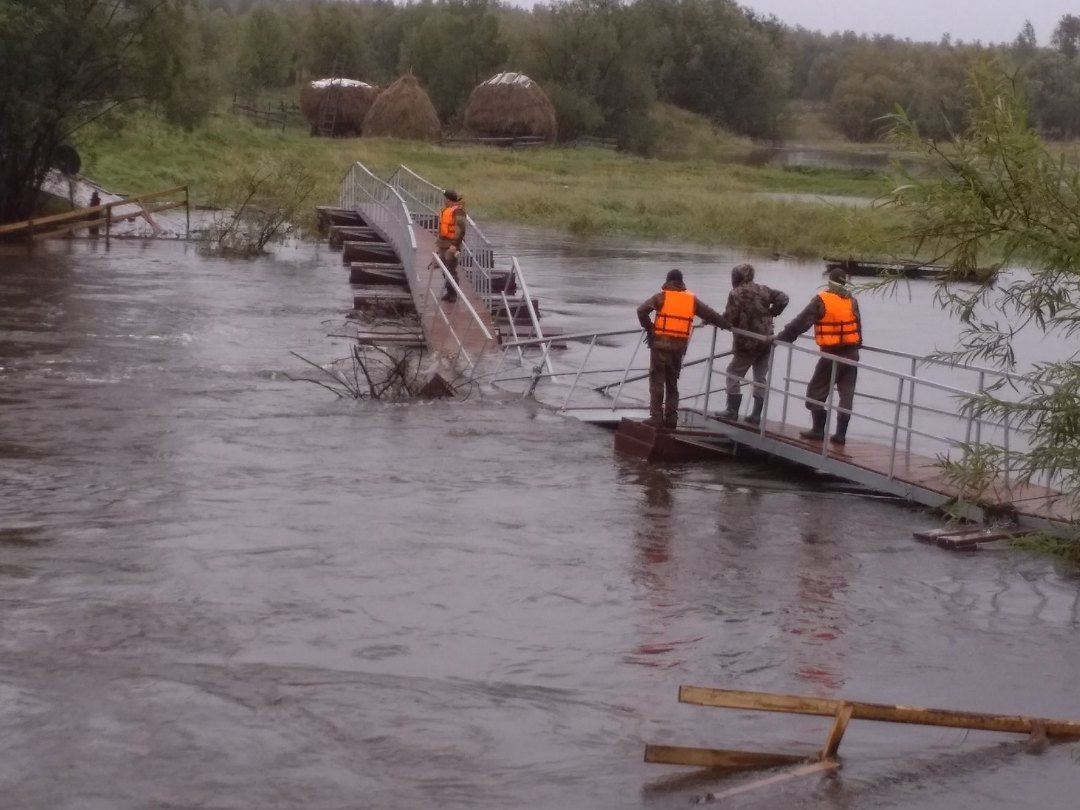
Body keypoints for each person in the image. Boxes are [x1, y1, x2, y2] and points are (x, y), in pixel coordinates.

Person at [772, 268, 862, 444]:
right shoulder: (851, 300)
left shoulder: (822, 300)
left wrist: (782, 339)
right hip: (852, 354)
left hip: (832, 355)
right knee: (846, 395)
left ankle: (818, 431)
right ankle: (840, 435)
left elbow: (800, 323)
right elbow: (858, 327)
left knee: (815, 391)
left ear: (830, 282)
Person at [636, 268, 728, 430]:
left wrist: (650, 328)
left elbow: (641, 310)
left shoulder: (662, 297)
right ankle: (672, 418)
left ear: (668, 280)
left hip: (660, 346)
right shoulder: (691, 300)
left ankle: (656, 417)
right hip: (679, 348)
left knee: (657, 381)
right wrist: (726, 324)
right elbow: (710, 314)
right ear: (681, 282)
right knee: (672, 382)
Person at [718, 263, 788, 424]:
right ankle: (756, 415)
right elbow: (784, 298)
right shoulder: (763, 289)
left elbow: (729, 317)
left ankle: (732, 410)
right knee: (760, 378)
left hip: (747, 343)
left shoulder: (736, 293)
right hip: (766, 341)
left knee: (733, 373)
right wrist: (772, 312)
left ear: (736, 276)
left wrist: (715, 321)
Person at [437, 189, 467, 302]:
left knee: (450, 269)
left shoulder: (458, 212)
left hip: (452, 246)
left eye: (445, 198)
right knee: (445, 269)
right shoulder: (446, 210)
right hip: (443, 244)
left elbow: (461, 229)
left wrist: (454, 245)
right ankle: (449, 292)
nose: (443, 200)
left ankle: (454, 293)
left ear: (448, 199)